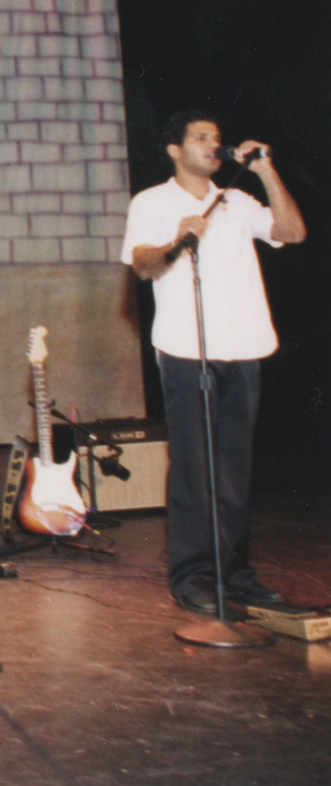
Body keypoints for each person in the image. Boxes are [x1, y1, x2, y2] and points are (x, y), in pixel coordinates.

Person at [121, 111, 305, 613]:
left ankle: (235, 572)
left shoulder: (239, 201)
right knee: (194, 469)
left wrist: (266, 171)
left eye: (217, 139)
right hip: (186, 350)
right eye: (200, 138)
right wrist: (178, 242)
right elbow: (142, 265)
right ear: (174, 151)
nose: (213, 145)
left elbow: (291, 232)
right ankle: (192, 576)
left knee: (233, 471)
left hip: (244, 347)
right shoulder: (152, 202)